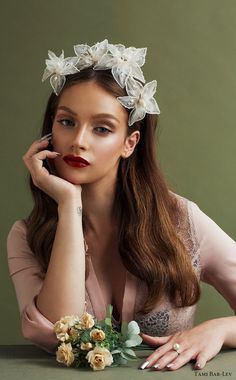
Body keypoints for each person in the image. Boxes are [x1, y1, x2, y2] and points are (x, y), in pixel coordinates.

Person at [7, 39, 236, 372]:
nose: (79, 141)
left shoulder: (182, 221)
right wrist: (70, 206)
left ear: (129, 143)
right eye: (67, 122)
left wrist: (221, 329)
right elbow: (63, 332)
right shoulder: (26, 236)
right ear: (49, 132)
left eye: (101, 128)